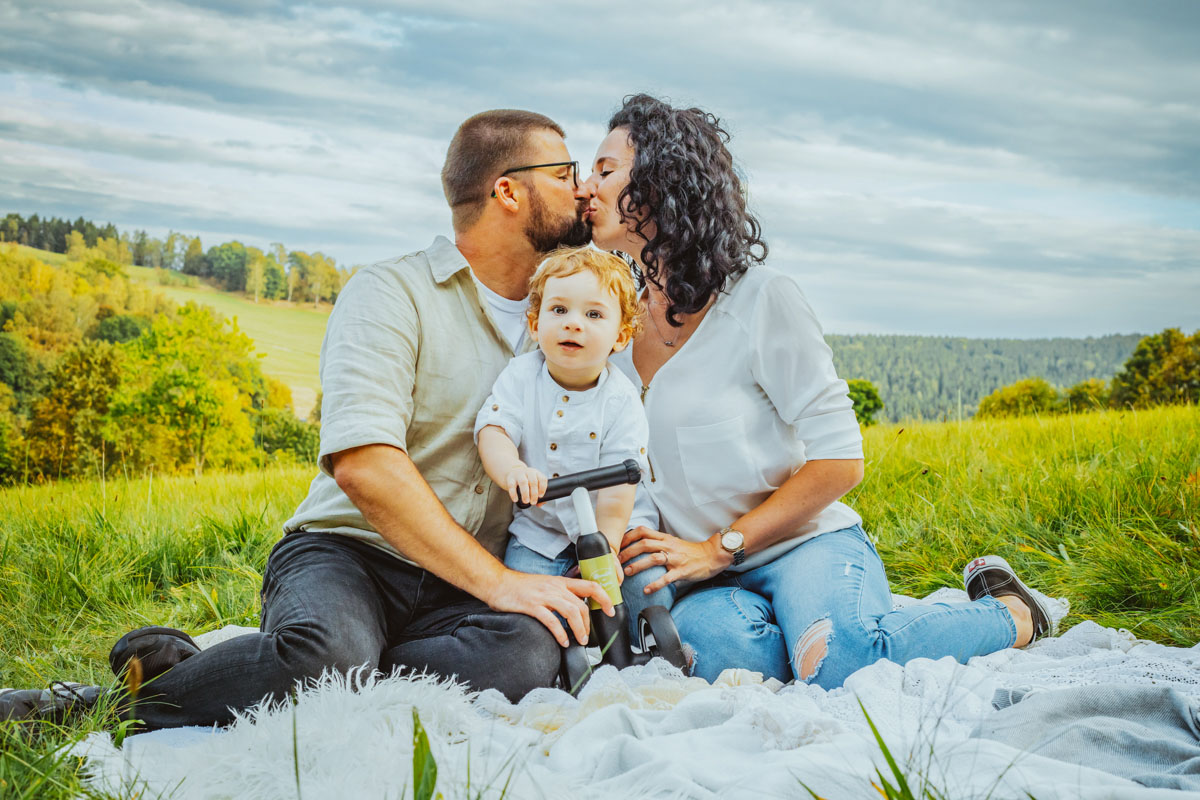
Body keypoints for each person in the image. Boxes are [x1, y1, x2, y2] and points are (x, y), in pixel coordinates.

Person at [0, 109, 617, 727]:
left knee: (528, 654)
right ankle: (94, 706)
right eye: (565, 173)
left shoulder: (571, 323)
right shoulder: (391, 292)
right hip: (348, 554)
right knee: (327, 656)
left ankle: (242, 671)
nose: (584, 188)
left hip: (459, 588)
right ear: (508, 191)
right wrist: (501, 585)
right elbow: (363, 465)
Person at [580, 94, 1055, 688]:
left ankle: (1012, 613)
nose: (585, 187)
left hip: (801, 543)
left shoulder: (760, 299)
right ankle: (825, 630)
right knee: (723, 659)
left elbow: (841, 461)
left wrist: (718, 547)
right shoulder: (611, 322)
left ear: (662, 183)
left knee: (838, 662)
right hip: (703, 574)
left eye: (605, 170)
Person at [475, 246, 670, 639]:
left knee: (644, 586)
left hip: (615, 527)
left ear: (621, 336)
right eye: (559, 310)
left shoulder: (621, 399)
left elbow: (620, 486)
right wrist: (512, 469)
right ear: (535, 324)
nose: (573, 324)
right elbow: (494, 430)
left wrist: (607, 548)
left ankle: (640, 645)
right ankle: (555, 648)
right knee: (527, 612)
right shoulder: (520, 376)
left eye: (593, 315)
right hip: (542, 532)